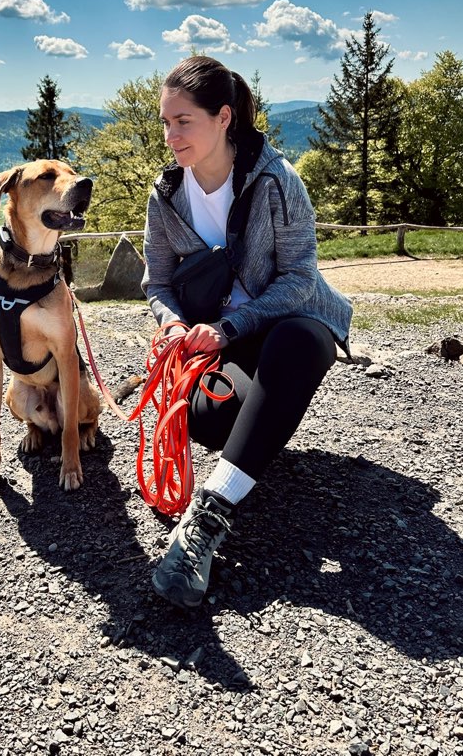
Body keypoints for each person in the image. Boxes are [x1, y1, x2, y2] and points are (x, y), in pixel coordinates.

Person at [142, 55, 352, 608]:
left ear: (224, 117)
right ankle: (254, 441)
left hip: (295, 323)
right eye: (166, 123)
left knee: (291, 344)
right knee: (204, 421)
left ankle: (211, 513)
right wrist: (174, 325)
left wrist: (230, 326)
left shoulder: (278, 181)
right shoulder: (165, 197)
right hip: (222, 336)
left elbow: (301, 279)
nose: (170, 136)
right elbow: (156, 282)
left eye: (183, 121)